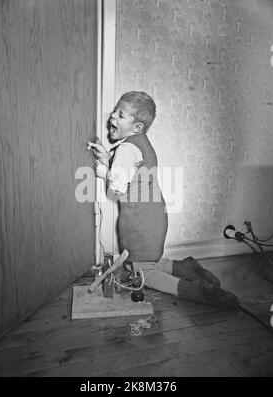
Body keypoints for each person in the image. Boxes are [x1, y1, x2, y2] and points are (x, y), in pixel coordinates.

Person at [87, 91, 239, 310]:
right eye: (115, 111)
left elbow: (118, 188)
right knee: (146, 260)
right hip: (155, 216)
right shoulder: (140, 143)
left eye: (120, 115)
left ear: (136, 127)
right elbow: (132, 170)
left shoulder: (126, 150)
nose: (112, 116)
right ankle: (186, 268)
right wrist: (107, 159)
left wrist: (103, 172)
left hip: (139, 221)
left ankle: (194, 290)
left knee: (142, 273)